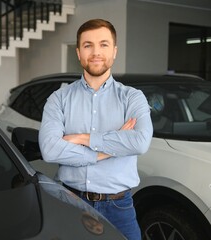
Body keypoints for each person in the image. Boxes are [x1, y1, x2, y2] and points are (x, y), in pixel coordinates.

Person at [38, 18, 153, 240]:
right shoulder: (58, 99)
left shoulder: (132, 98)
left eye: (103, 44)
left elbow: (139, 142)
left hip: (119, 207)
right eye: (88, 45)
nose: (96, 52)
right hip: (69, 201)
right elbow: (50, 150)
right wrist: (109, 149)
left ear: (114, 51)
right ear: (79, 52)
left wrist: (81, 138)